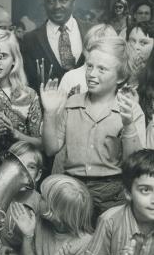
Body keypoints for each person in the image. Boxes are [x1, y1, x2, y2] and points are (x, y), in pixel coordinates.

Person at [41, 36, 146, 223]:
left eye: (102, 69)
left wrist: (128, 123)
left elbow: (135, 163)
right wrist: (49, 113)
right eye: (89, 66)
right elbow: (51, 148)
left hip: (112, 194)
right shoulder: (72, 103)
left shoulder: (130, 108)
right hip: (73, 190)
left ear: (120, 77)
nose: (91, 74)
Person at [0, 29, 43, 165]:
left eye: (4, 56)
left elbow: (41, 144)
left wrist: (16, 134)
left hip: (20, 167)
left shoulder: (29, 95)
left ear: (14, 59)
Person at [21, 0, 90, 92]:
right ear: (44, 3)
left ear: (74, 1)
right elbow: (30, 84)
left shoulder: (91, 31)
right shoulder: (30, 40)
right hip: (48, 108)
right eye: (51, 0)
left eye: (63, 0)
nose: (57, 6)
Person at [58, 23, 117, 96]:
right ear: (84, 49)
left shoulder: (115, 78)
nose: (96, 57)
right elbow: (59, 105)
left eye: (103, 52)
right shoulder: (70, 77)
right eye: (90, 50)